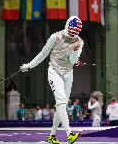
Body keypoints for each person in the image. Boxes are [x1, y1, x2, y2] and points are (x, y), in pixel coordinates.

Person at [20, 16, 83, 144]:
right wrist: (29, 65)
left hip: (68, 73)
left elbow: (72, 61)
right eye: (71, 31)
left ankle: (52, 136)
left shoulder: (79, 41)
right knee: (61, 103)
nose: (72, 35)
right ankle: (69, 134)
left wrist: (75, 51)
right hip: (54, 72)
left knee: (62, 105)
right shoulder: (55, 37)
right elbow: (43, 54)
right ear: (67, 27)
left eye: (75, 33)